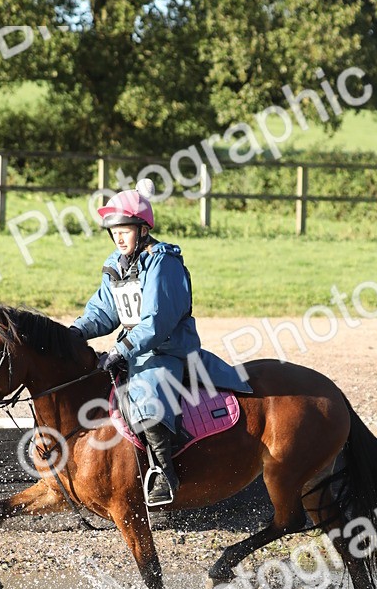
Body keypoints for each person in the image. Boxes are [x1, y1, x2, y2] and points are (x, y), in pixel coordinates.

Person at [70, 178, 250, 507]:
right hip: (133, 351)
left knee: (145, 392)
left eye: (125, 229)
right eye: (114, 231)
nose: (119, 237)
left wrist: (121, 350)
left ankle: (164, 474)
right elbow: (104, 311)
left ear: (142, 228)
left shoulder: (163, 262)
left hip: (166, 351)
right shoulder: (116, 264)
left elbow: (156, 322)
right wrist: (74, 332)